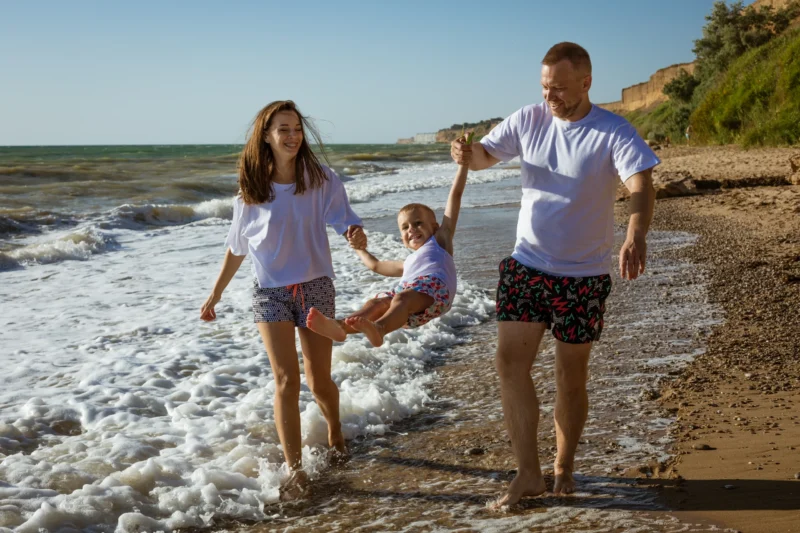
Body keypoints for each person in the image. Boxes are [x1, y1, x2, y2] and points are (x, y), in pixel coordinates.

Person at [451, 42, 659, 507]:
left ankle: (563, 464)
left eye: (560, 88)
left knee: (570, 378)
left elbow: (641, 185)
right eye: (546, 87)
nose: (552, 97)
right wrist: (468, 153)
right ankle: (528, 473)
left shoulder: (613, 132)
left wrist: (636, 234)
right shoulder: (529, 119)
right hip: (527, 264)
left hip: (582, 277)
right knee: (509, 363)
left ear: (586, 83)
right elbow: (487, 156)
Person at [199, 100, 366, 500]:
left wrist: (355, 234)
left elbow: (345, 219)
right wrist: (215, 293)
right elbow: (237, 248)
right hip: (269, 293)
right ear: (266, 136)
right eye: (283, 129)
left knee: (319, 380)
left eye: (296, 129)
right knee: (286, 381)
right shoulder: (251, 192)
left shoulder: (321, 179)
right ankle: (295, 470)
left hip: (315, 288)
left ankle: (336, 433)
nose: (292, 136)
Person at [306, 140, 472, 347]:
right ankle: (340, 328)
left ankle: (380, 329)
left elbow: (455, 196)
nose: (411, 229)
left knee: (401, 298)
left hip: (435, 295)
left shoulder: (440, 243)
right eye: (405, 228)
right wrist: (359, 248)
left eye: (418, 223)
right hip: (407, 307)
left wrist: (463, 164)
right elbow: (375, 265)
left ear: (435, 227)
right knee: (377, 303)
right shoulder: (408, 264)